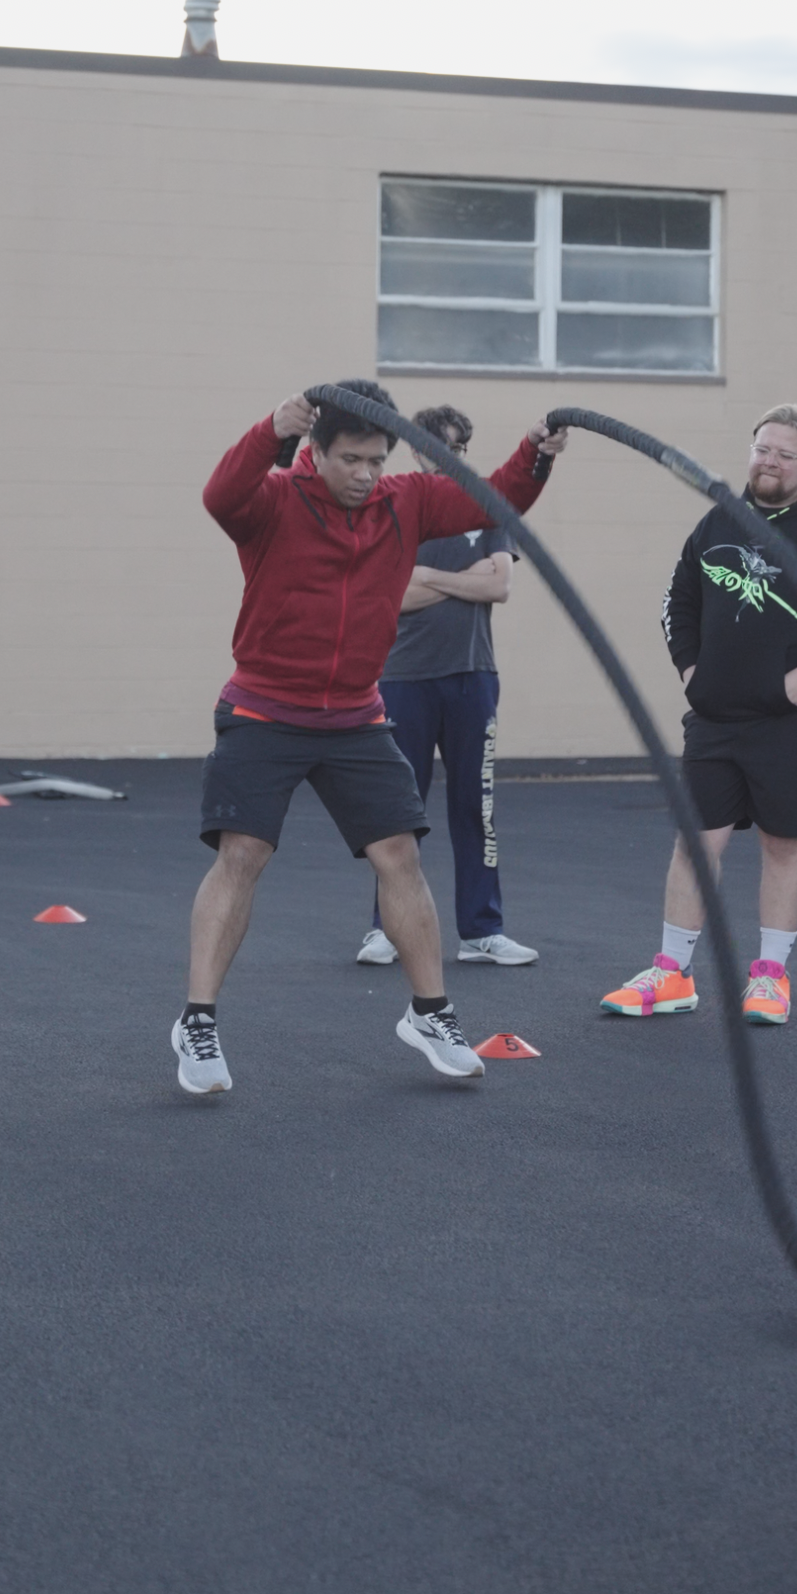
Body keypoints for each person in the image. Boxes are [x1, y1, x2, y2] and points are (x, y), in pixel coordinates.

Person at [172, 380, 568, 1094]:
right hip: (264, 708)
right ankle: (197, 1022)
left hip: (355, 714)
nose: (364, 474)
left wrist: (534, 456)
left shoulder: (404, 503)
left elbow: (489, 499)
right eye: (350, 458)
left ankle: (430, 1013)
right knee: (243, 854)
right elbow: (217, 496)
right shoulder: (272, 502)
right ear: (315, 452)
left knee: (399, 857)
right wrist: (270, 430)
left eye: (376, 460)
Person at [601, 404, 797, 1025]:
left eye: (782, 453)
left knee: (782, 843)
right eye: (760, 448)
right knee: (697, 840)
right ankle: (671, 974)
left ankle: (769, 977)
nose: (766, 461)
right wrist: (692, 671)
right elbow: (677, 600)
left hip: (792, 720)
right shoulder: (719, 522)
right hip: (715, 717)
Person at [356, 404, 538, 969]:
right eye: (439, 448)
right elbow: (389, 595)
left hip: (472, 677)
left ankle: (482, 931)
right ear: (415, 449)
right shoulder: (393, 503)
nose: (450, 458)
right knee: (397, 813)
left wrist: (426, 576)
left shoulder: (485, 503)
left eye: (458, 449)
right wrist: (463, 581)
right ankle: (385, 929)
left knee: (475, 809)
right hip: (403, 679)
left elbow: (501, 585)